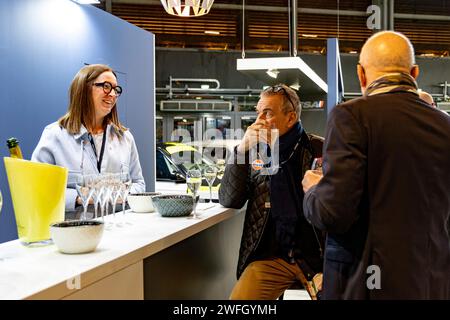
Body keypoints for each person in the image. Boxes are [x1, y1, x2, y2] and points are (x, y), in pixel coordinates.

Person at [302, 31, 450, 299]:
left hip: (365, 285)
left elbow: (333, 213)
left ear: (361, 74)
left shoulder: (351, 116)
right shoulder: (445, 125)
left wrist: (313, 190)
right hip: (431, 283)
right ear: (414, 73)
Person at [219, 84, 324, 300]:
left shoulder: (320, 150)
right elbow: (230, 199)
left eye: (267, 113)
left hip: (318, 257)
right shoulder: (253, 152)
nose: (259, 121)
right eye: (258, 113)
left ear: (290, 117)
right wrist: (240, 151)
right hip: (271, 258)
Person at [32, 64, 145, 216]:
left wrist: (118, 194)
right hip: (73, 233)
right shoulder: (55, 135)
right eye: (106, 86)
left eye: (116, 89)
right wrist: (80, 198)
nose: (112, 94)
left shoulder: (125, 138)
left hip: (118, 229)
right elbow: (38, 189)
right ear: (84, 89)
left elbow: (139, 183)